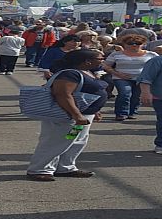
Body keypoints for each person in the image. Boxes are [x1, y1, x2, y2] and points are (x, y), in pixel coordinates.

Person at [26, 49, 107, 181]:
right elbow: (63, 95)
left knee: (74, 140)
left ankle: (65, 167)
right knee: (55, 141)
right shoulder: (69, 74)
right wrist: (76, 115)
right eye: (100, 58)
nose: (103, 60)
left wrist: (95, 110)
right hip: (67, 116)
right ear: (87, 61)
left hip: (83, 116)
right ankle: (39, 169)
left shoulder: (87, 72)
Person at [102, 35, 157, 122]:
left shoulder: (151, 54)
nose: (134, 45)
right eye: (130, 43)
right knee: (125, 93)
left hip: (141, 79)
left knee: (136, 96)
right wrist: (116, 73)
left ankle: (132, 112)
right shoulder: (116, 54)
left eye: (138, 43)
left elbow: (159, 65)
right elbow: (105, 65)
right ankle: (121, 113)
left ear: (143, 44)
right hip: (120, 78)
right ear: (124, 44)